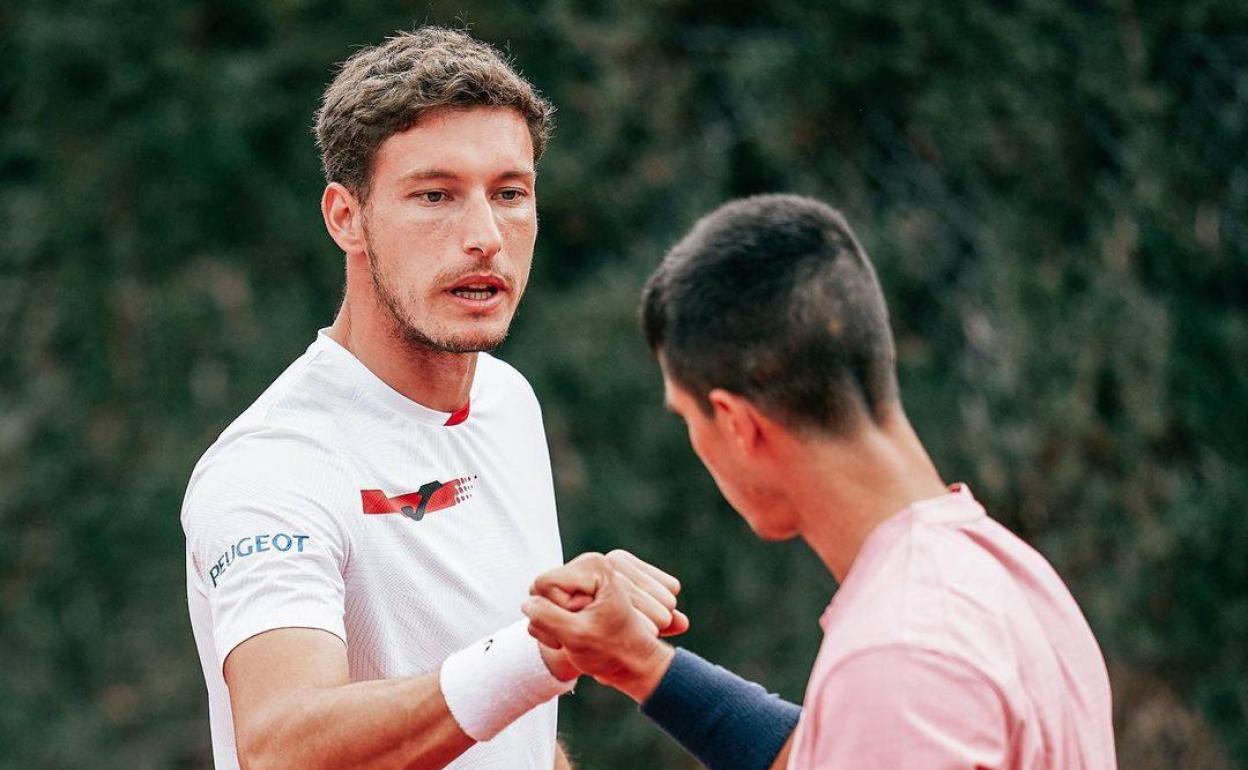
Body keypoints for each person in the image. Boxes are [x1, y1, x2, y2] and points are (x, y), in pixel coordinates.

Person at [181, 28, 686, 770]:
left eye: (510, 193)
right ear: (344, 217)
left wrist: (547, 662)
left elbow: (510, 731)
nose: (485, 236)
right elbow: (281, 744)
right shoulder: (270, 469)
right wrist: (543, 650)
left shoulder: (507, 401)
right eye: (435, 196)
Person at [523, 194, 1118, 770]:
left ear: (736, 424)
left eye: (687, 417)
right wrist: (637, 661)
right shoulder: (1007, 576)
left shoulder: (901, 655)